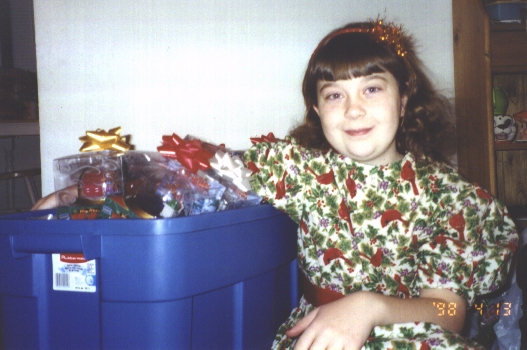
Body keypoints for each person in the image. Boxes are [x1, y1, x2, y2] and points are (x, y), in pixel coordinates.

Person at [243, 19, 518, 349]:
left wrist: (368, 306)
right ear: (317, 110)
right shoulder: (301, 171)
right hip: (323, 336)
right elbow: (217, 177)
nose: (353, 109)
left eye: (371, 89)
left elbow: (449, 311)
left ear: (403, 99)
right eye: (334, 95)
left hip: (415, 335)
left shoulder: (449, 198)